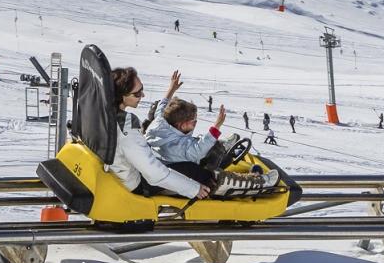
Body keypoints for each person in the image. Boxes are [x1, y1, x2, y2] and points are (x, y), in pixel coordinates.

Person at [146, 72, 278, 197]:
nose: (196, 122)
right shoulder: (178, 145)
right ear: (182, 125)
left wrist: (171, 89)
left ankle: (221, 148)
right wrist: (216, 127)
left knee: (205, 159)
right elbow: (198, 150)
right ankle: (257, 183)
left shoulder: (160, 122)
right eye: (193, 121)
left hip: (167, 168)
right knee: (213, 177)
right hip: (178, 180)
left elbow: (162, 105)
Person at [110, 67, 209, 199]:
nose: (143, 95)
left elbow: (160, 113)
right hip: (137, 183)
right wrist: (194, 189)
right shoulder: (126, 127)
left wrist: (171, 89)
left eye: (142, 89)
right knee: (193, 170)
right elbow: (154, 173)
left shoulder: (107, 113)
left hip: (125, 170)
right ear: (122, 96)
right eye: (137, 94)